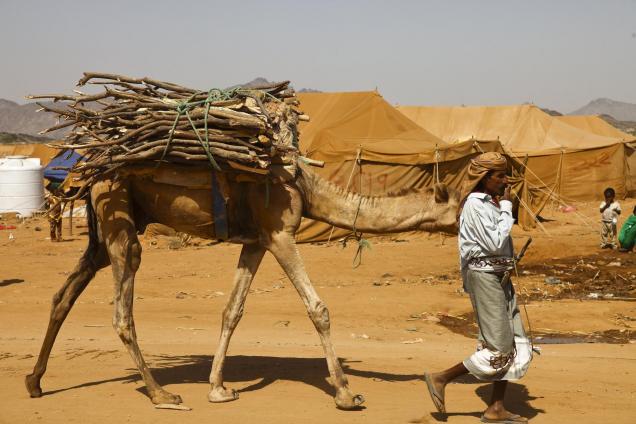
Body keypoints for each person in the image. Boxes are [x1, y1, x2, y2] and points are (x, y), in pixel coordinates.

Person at [424, 152, 532, 423]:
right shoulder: (475, 204)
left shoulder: (490, 203)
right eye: (500, 176)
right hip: (484, 278)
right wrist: (507, 208)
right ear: (484, 178)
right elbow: (495, 242)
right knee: (498, 348)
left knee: (514, 343)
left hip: (499, 277)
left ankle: (495, 408)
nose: (505, 181)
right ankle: (442, 377)